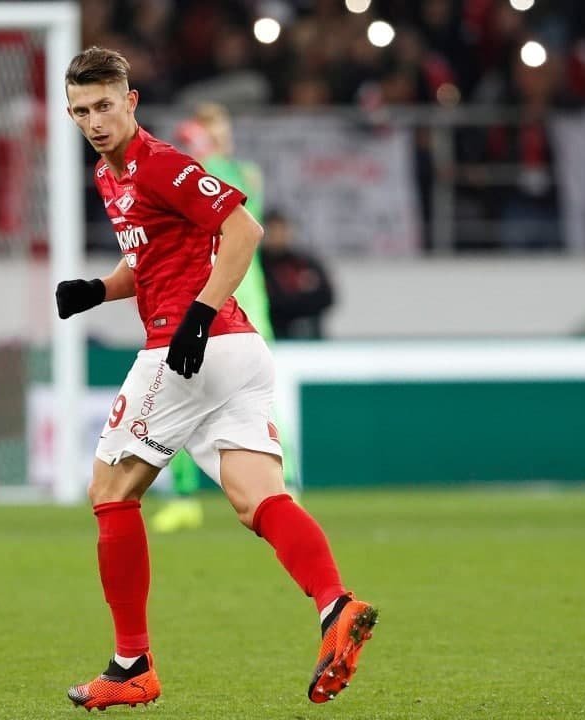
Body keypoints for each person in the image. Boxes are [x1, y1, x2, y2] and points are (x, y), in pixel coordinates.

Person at [55, 46, 377, 712]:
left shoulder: (162, 164)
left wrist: (198, 317)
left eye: (104, 106)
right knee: (257, 499)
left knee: (110, 492)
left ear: (131, 102)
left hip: (186, 348)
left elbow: (243, 231)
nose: (94, 122)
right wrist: (99, 289)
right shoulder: (109, 175)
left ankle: (131, 665)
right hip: (235, 353)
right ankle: (335, 605)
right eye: (81, 111)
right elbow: (151, 260)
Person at [151, 103, 300, 534]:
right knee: (176, 390)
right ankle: (183, 497)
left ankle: (286, 483)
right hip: (201, 298)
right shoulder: (188, 179)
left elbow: (237, 205)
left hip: (245, 303)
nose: (216, 138)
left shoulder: (242, 174)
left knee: (261, 398)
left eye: (219, 130)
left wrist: (206, 156)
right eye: (207, 131)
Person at [260, 209, 336, 339]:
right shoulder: (257, 264)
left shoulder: (305, 263)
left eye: (282, 230)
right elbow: (267, 302)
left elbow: (327, 297)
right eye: (273, 230)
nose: (278, 235)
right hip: (273, 333)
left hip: (309, 334)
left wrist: (288, 303)